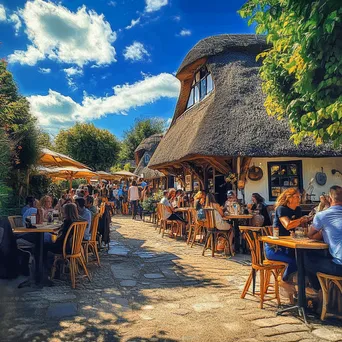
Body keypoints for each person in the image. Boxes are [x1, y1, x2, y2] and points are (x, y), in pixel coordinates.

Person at [265, 188, 310, 288]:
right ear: (289, 198)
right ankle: (284, 280)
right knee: (296, 261)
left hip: (290, 246)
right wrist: (301, 220)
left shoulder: (298, 209)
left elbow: (300, 228)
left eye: (299, 197)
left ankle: (304, 289)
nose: (299, 199)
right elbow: (288, 225)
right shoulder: (282, 209)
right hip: (276, 248)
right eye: (296, 197)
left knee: (307, 258)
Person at [305, 185, 342, 291]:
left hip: (339, 267)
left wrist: (323, 232)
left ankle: (317, 291)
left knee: (305, 258)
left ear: (330, 199)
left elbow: (310, 235)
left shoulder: (323, 215)